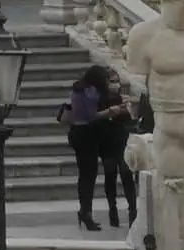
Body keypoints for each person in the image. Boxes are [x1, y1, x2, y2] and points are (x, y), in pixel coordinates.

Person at [55, 67, 132, 233]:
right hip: (86, 134)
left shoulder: (79, 89)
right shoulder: (89, 91)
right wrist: (111, 111)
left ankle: (85, 212)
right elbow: (90, 116)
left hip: (79, 134)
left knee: (86, 175)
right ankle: (85, 213)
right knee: (88, 175)